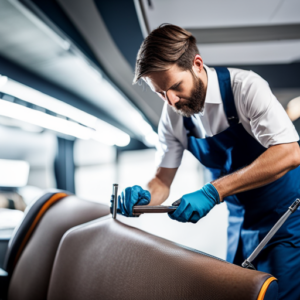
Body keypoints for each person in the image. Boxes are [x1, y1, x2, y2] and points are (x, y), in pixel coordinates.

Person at [117, 24, 300, 299]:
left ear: (197, 64)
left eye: (176, 86)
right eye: (160, 93)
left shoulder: (245, 88)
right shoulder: (172, 116)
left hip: (285, 216)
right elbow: (161, 181)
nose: (171, 100)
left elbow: (289, 152)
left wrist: (213, 191)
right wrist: (144, 199)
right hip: (238, 220)